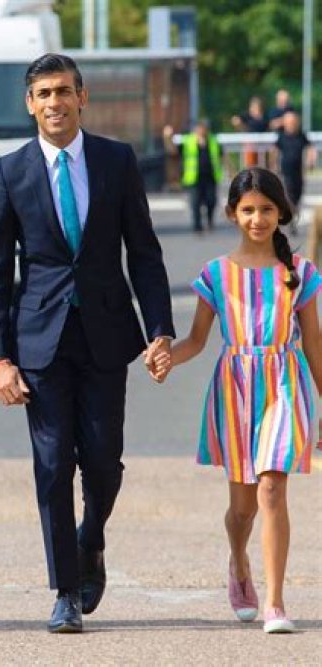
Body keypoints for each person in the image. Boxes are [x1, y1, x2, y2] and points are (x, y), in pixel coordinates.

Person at [0, 53, 175, 633]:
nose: (54, 102)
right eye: (43, 93)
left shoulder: (117, 161)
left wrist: (160, 329)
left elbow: (144, 252)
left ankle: (90, 541)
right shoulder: (10, 171)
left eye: (63, 91)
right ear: (29, 104)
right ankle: (66, 590)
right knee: (51, 463)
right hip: (38, 342)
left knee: (104, 462)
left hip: (106, 335)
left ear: (82, 97)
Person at [148, 167, 321, 634]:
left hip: (285, 385)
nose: (257, 219)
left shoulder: (300, 274)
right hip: (236, 390)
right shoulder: (216, 274)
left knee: (273, 488)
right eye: (248, 210)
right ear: (231, 213)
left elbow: (314, 345)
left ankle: (276, 603)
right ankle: (239, 561)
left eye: (267, 209)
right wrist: (167, 358)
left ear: (281, 213)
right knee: (242, 509)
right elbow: (196, 341)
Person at [163, 120, 223, 232]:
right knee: (195, 203)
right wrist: (167, 138)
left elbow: (222, 156)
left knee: (211, 201)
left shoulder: (213, 141)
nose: (202, 131)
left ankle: (210, 221)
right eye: (200, 128)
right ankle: (197, 226)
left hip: (211, 177)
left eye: (204, 128)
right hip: (194, 178)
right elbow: (173, 151)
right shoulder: (188, 141)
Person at [273, 111, 316, 234]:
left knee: (298, 195)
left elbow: (310, 148)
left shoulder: (301, 136)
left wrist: (310, 160)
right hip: (285, 172)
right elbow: (275, 151)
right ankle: (290, 219)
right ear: (285, 124)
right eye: (289, 122)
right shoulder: (281, 136)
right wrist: (274, 165)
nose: (291, 125)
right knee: (289, 194)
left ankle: (292, 215)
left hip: (298, 172)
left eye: (293, 122)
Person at [231, 96, 268, 167]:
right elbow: (235, 120)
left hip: (262, 146)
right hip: (250, 146)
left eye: (256, 107)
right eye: (252, 107)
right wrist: (242, 127)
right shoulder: (246, 116)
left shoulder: (265, 117)